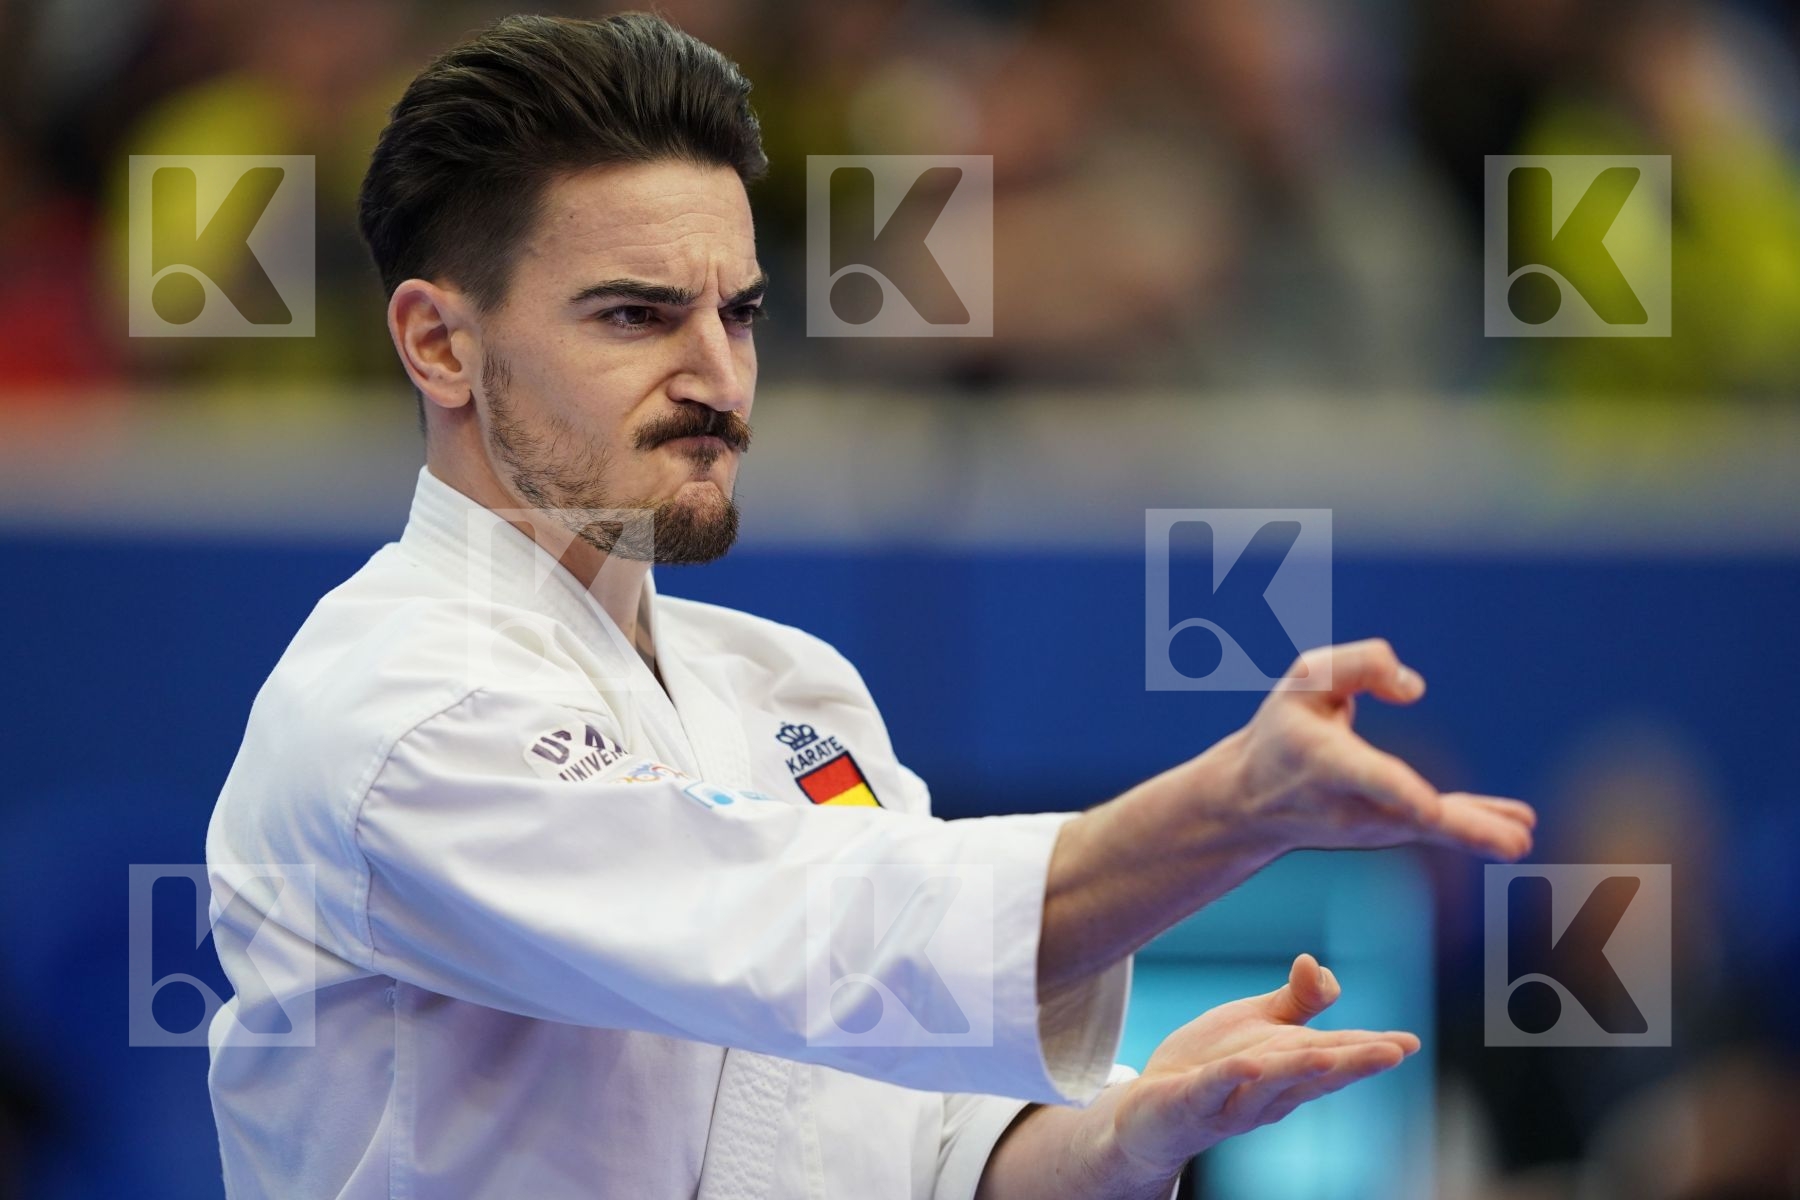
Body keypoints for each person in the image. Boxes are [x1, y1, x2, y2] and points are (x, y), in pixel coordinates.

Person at [204, 13, 1537, 1199]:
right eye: (634, 315)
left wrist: (1134, 1133)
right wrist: (1228, 810)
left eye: (739, 311)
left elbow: (928, 1144)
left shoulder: (793, 695)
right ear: (440, 341)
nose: (714, 374)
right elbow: (803, 932)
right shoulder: (394, 712)